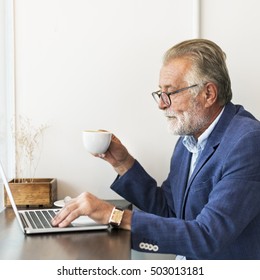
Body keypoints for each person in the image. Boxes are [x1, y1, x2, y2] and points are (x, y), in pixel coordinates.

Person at [52, 39, 260, 260]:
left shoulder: (247, 142)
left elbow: (207, 237)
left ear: (208, 94)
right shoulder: (189, 139)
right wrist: (123, 163)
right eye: (160, 93)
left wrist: (113, 215)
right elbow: (171, 212)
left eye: (170, 92)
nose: (161, 104)